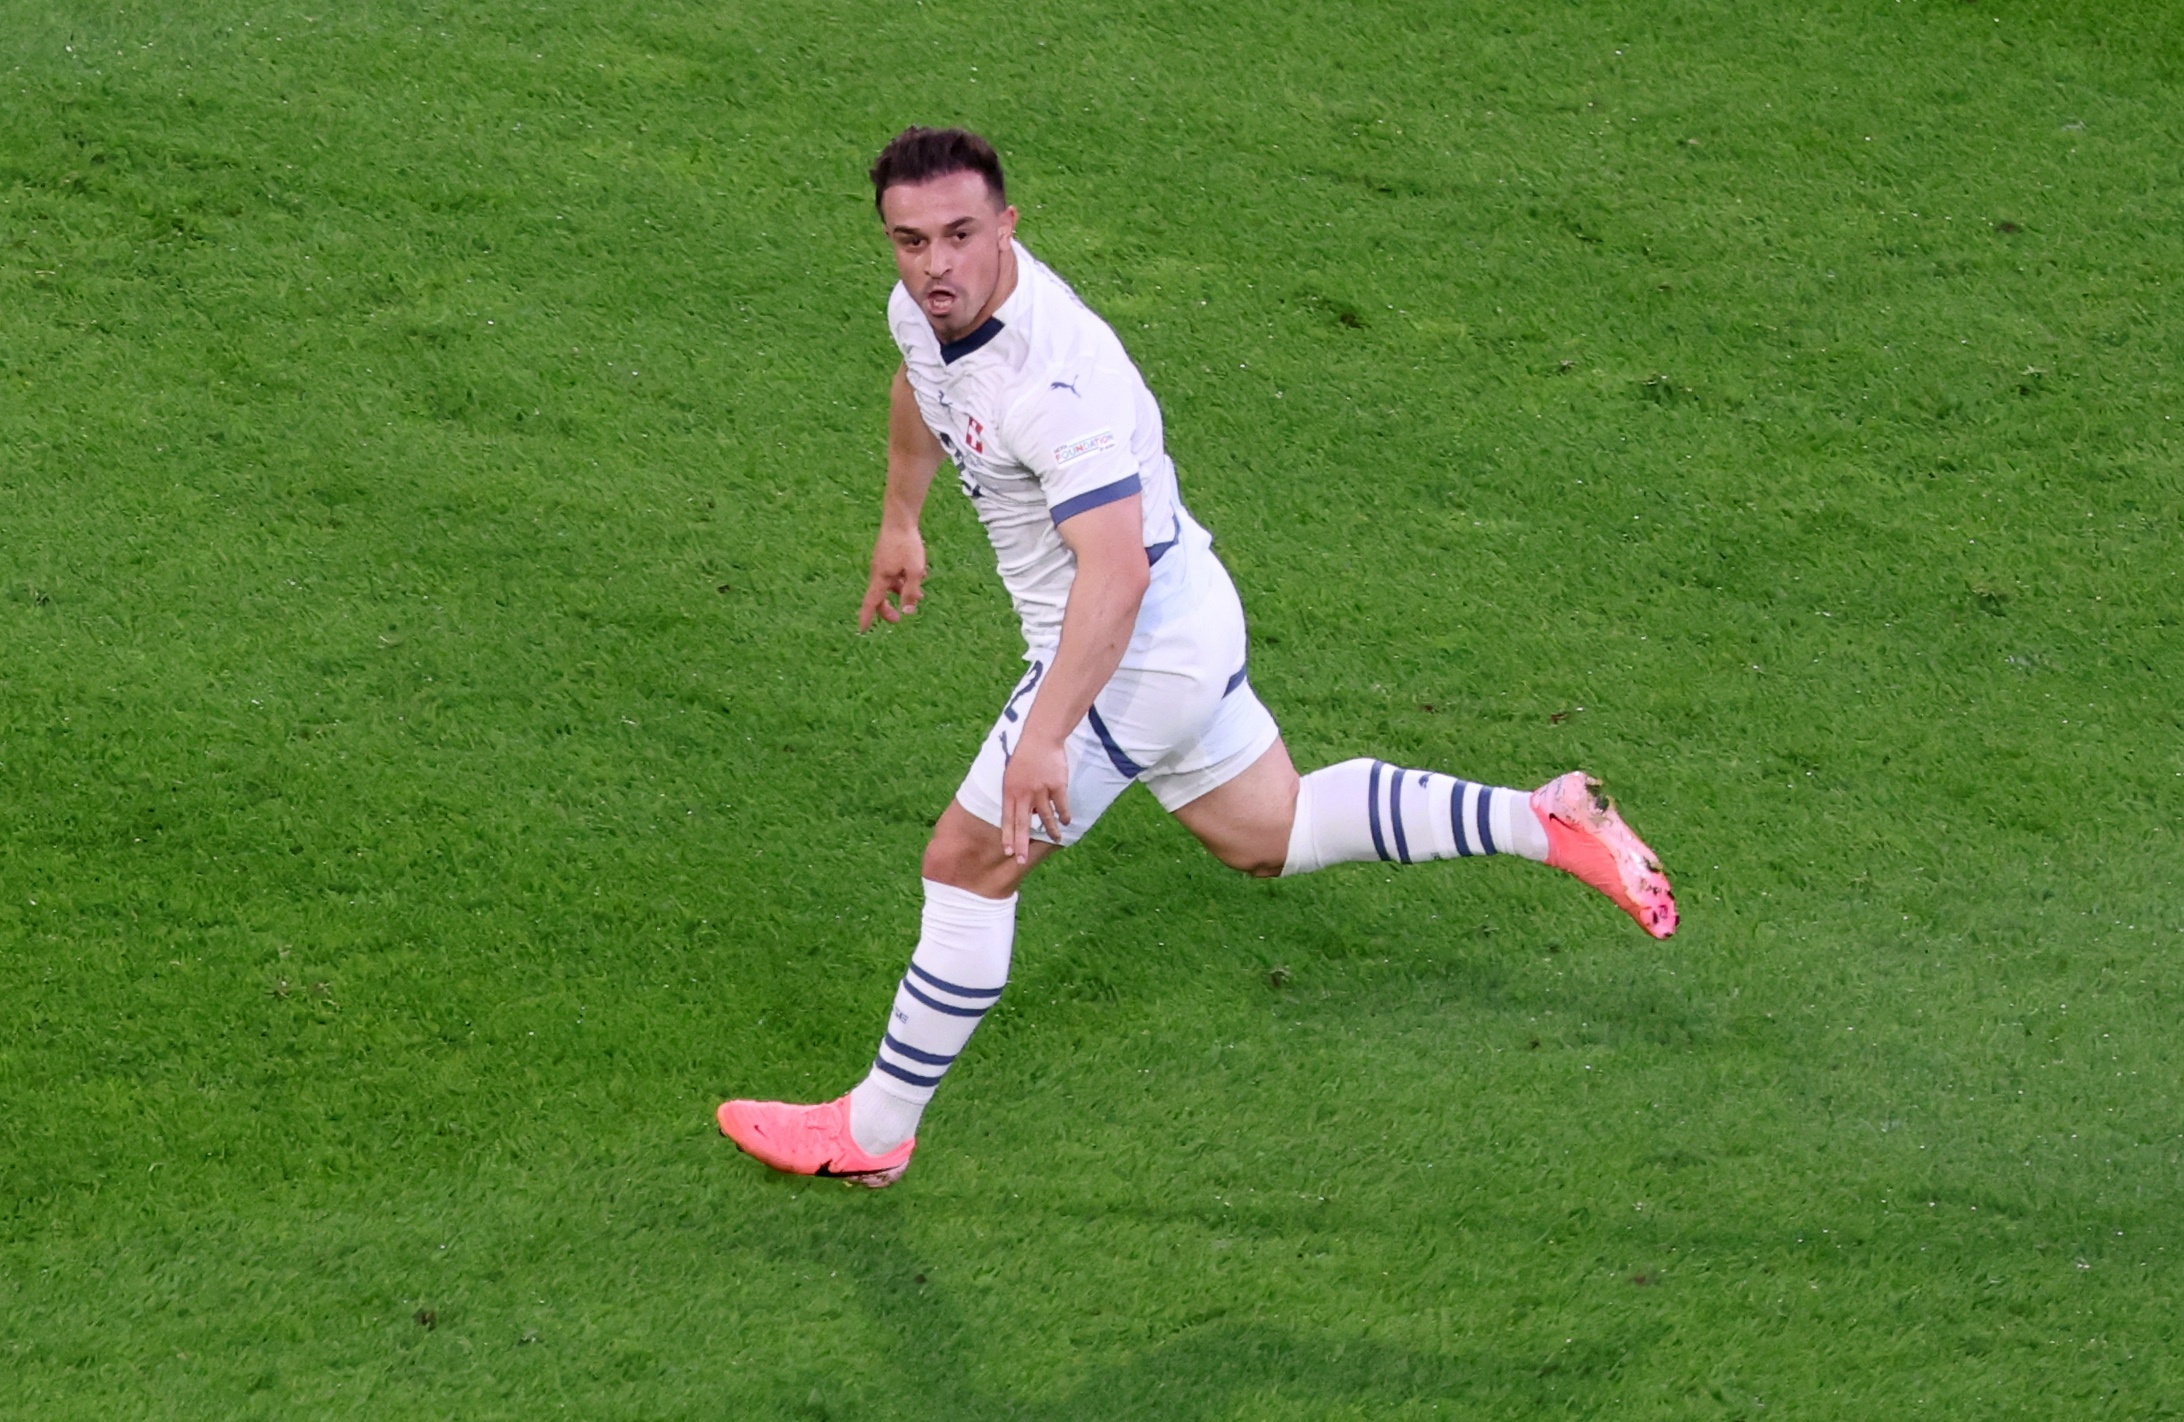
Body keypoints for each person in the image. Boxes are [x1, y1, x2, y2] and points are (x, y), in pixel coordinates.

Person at [718, 127, 1676, 1188]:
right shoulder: (929, 310)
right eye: (911, 241)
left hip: (1134, 644)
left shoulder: (1056, 384)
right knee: (1272, 832)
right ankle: (1541, 821)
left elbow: (1113, 578)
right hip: (1183, 620)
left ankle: (874, 1132)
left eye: (958, 236)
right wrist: (902, 522)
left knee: (966, 864)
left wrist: (1045, 738)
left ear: (1007, 227)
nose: (935, 265)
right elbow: (922, 388)